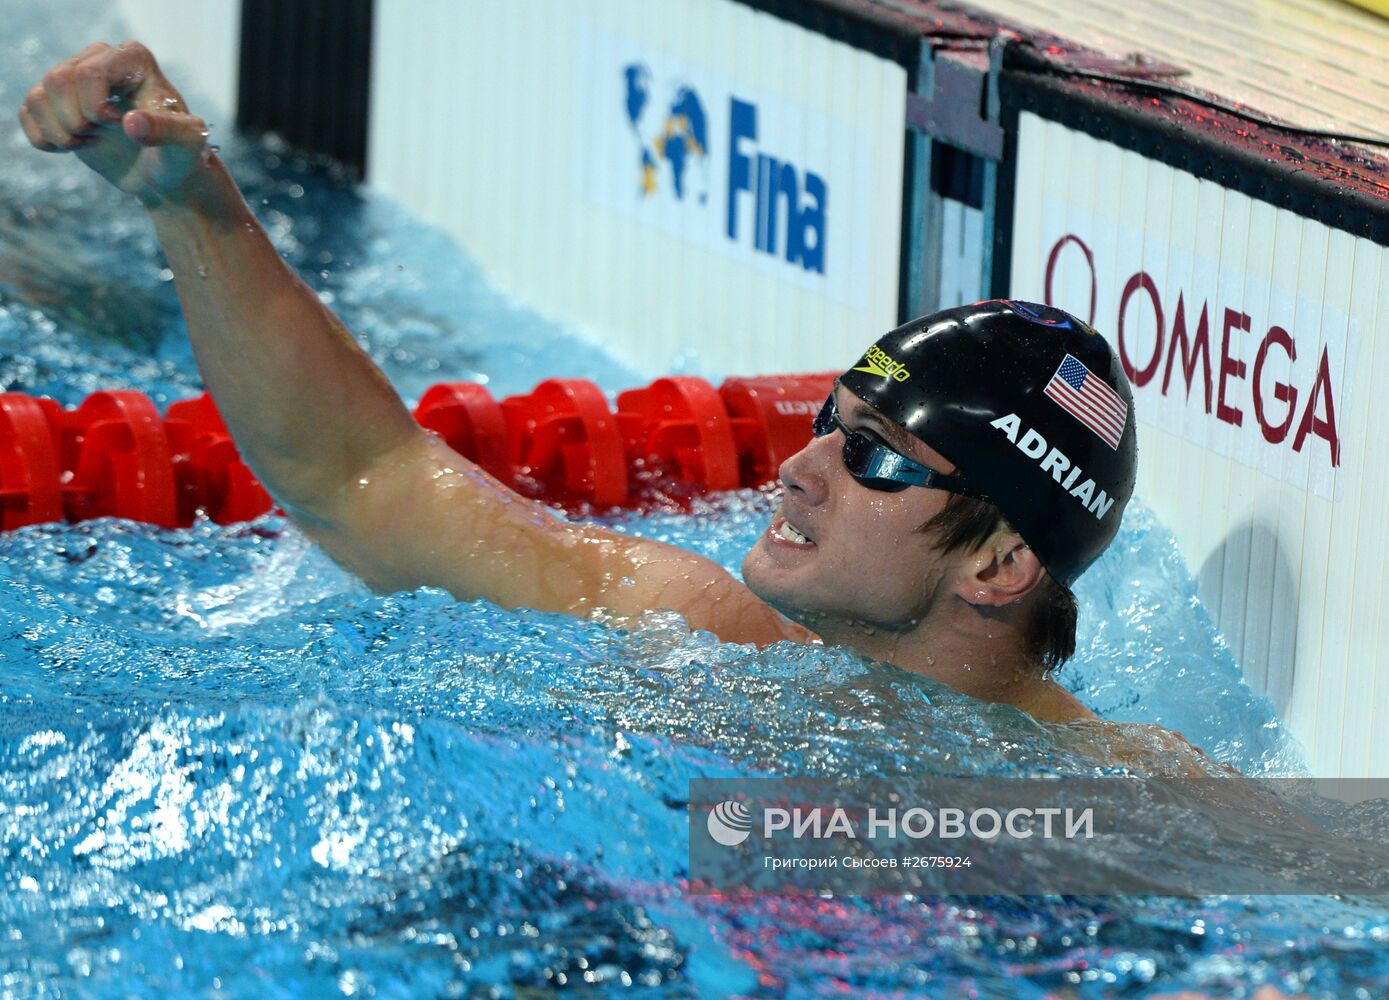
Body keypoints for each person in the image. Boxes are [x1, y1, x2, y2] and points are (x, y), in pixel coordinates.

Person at [19, 42, 1144, 731]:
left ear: (1001, 563)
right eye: (825, 424)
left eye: (873, 454)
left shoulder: (1109, 799)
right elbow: (361, 478)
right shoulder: (705, 633)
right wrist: (186, 199)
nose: (797, 471)